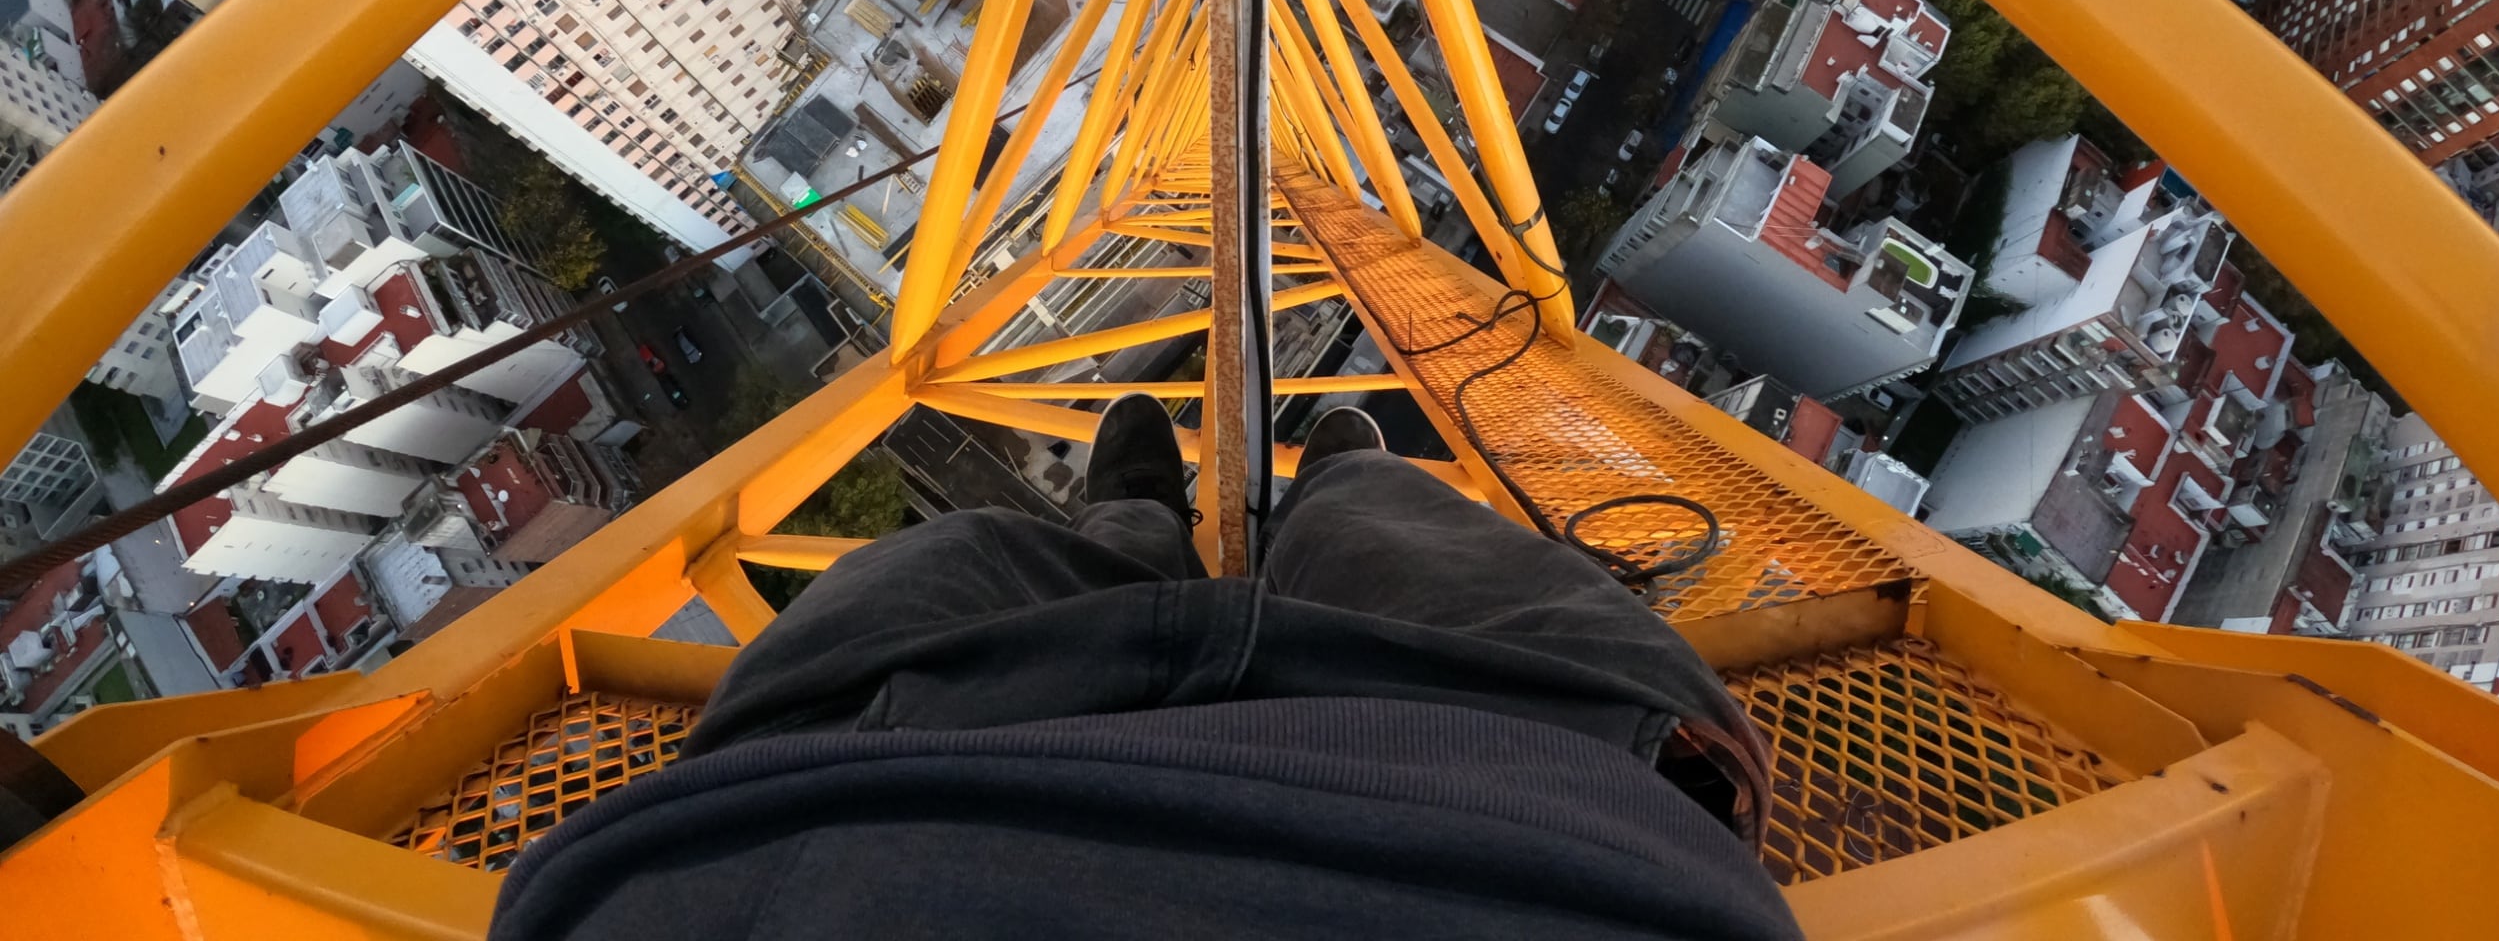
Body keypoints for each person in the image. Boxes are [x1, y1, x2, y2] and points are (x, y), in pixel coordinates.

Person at [491, 398, 1803, 940]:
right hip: (1554, 790)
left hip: (868, 773)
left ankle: (1145, 522)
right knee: (1392, 535)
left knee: (981, 558)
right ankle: (1340, 487)